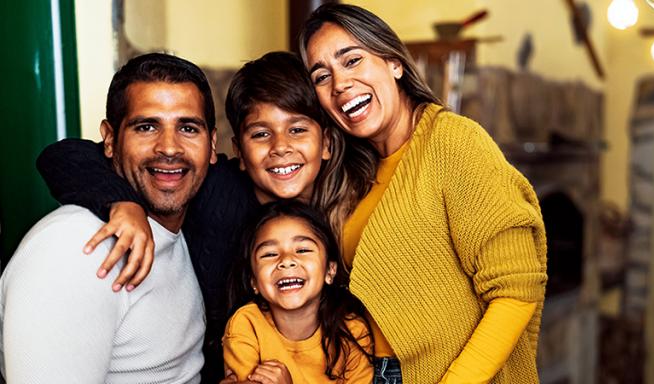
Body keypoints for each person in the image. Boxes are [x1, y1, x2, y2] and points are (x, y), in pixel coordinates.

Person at [34, 51, 377, 382]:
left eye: (297, 129)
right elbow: (65, 155)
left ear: (327, 143)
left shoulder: (350, 206)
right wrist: (121, 201)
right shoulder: (211, 188)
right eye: (260, 134)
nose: (280, 147)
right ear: (237, 150)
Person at [299, 4, 548, 383]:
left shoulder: (453, 142)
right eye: (322, 75)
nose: (340, 84)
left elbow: (515, 292)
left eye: (352, 60)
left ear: (394, 63)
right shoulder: (350, 174)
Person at [0, 52, 214, 382]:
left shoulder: (187, 221)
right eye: (146, 127)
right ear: (110, 140)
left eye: (188, 128)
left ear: (212, 145)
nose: (169, 148)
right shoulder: (72, 249)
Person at [223, 200, 372, 383]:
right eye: (269, 254)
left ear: (330, 271)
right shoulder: (247, 324)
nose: (287, 260)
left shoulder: (353, 331)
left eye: (302, 250)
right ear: (253, 281)